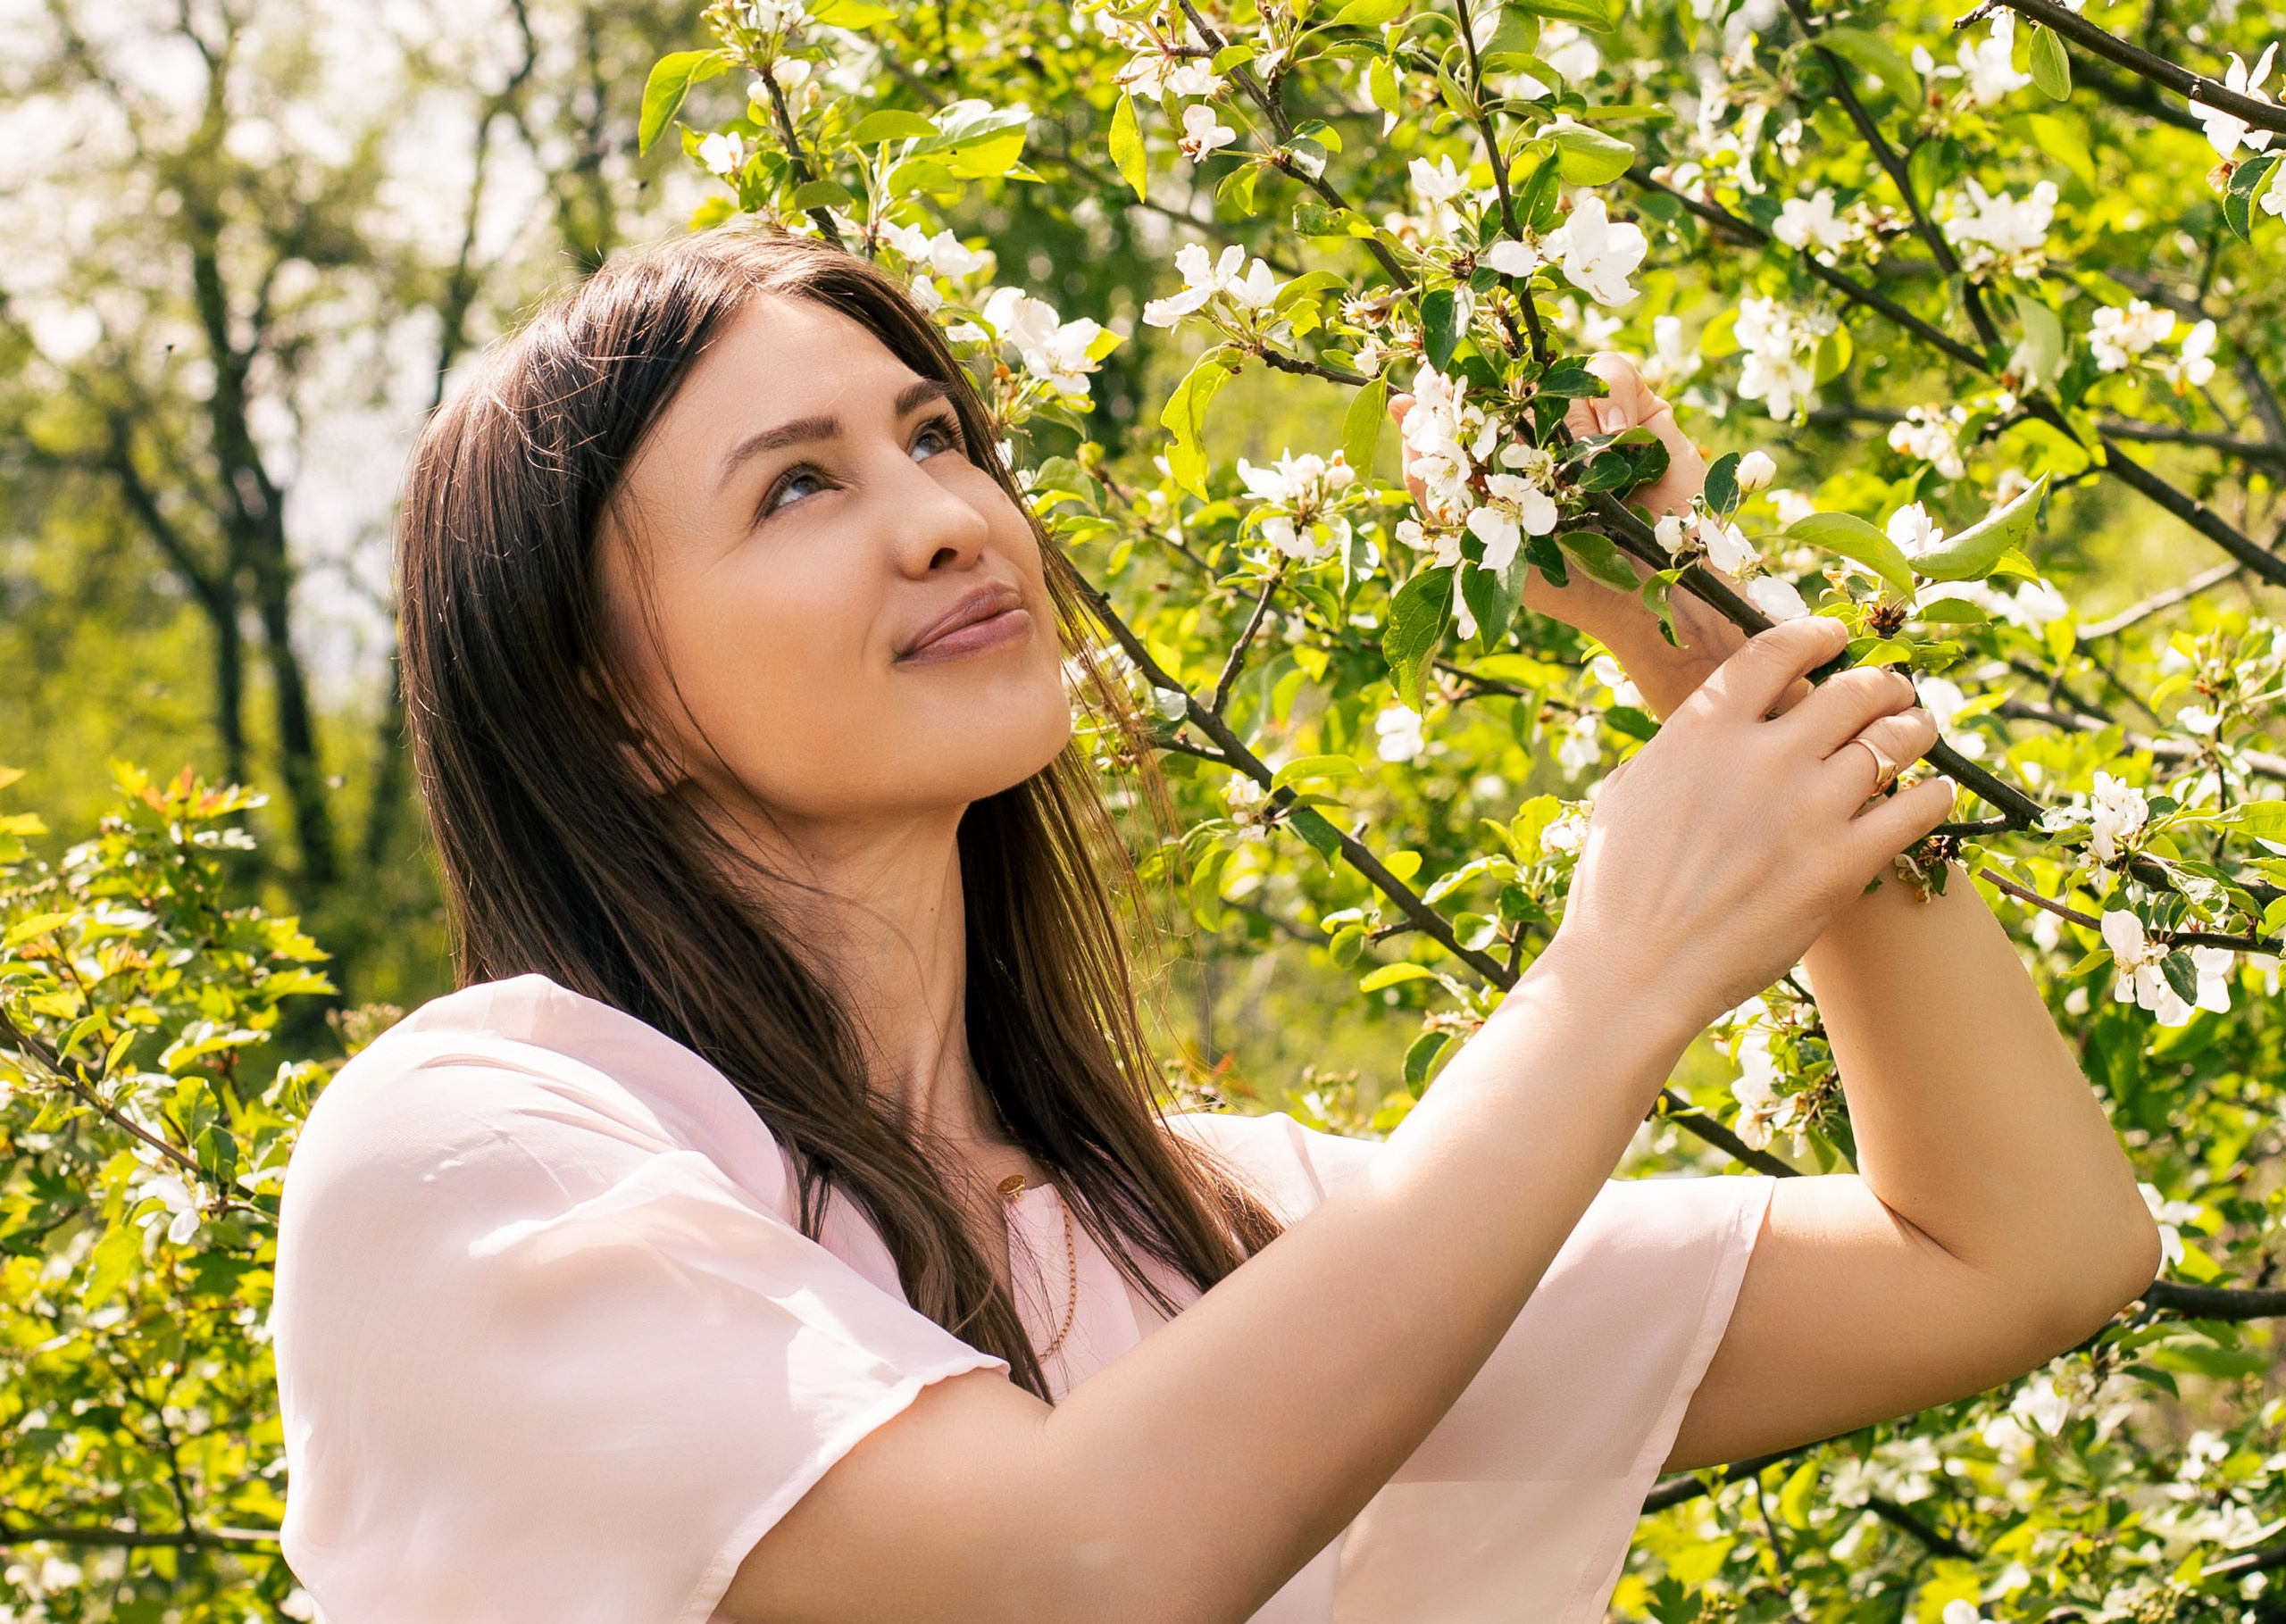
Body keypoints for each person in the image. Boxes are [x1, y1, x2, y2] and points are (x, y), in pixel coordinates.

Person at [268, 225, 2159, 1624]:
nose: (945, 517)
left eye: (936, 434)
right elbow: (1063, 1576)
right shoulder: (479, 1158)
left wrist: (1691, 632)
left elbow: (2017, 1251)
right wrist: (1616, 974)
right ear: (602, 702)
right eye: (798, 487)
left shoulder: (1207, 1231)